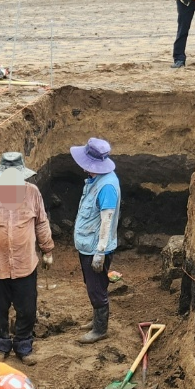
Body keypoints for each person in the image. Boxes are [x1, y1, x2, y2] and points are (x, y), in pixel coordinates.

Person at [0, 152, 53, 365]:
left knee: (27, 309)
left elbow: (41, 222)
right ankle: (0, 344)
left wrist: (47, 250)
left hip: (25, 263)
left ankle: (24, 345)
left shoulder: (32, 193)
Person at [70, 138, 121, 344]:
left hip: (95, 248)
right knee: (92, 284)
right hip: (87, 245)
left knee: (96, 288)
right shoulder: (96, 180)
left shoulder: (107, 186)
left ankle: (100, 329)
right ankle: (96, 321)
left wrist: (100, 251)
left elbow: (106, 220)